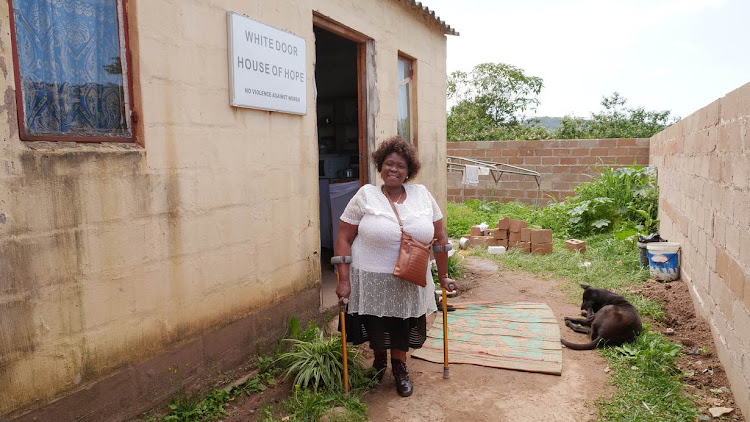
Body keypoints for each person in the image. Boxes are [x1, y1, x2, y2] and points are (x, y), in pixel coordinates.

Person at [334, 135, 458, 397]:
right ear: (380, 166)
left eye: (401, 166)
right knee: (377, 322)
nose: (394, 169)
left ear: (408, 171)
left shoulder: (422, 195)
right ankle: (379, 362)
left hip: (410, 277)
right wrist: (343, 279)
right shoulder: (365, 195)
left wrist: (444, 276)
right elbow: (344, 238)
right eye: (389, 164)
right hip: (370, 277)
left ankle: (400, 368)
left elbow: (441, 238)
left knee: (403, 324)